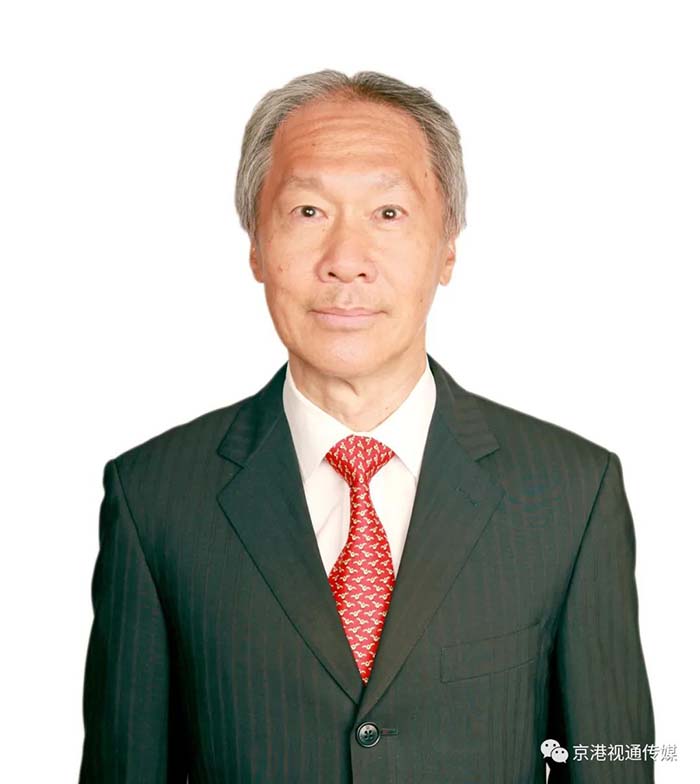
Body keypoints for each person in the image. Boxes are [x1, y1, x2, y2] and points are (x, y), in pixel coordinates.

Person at [78, 69, 655, 783]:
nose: (346, 262)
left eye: (388, 212)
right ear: (256, 245)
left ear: (447, 247)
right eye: (308, 211)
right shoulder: (153, 498)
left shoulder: (572, 493)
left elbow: (612, 759)